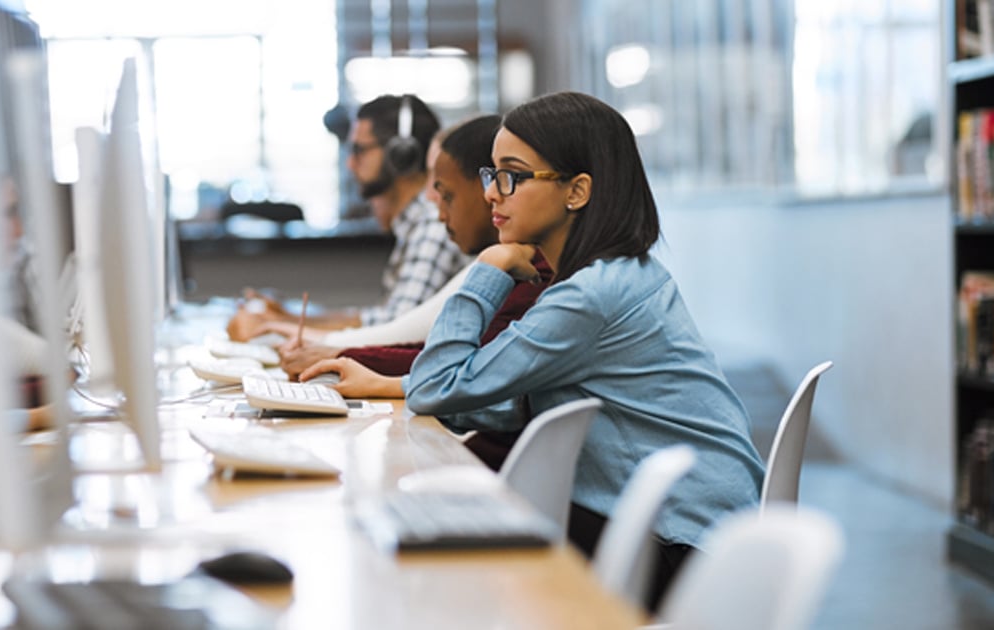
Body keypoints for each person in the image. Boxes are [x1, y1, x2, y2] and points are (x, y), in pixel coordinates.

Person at [321, 92, 764, 613]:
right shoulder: (612, 276)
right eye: (492, 175)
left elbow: (439, 385)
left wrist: (488, 269)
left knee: (444, 554)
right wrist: (402, 386)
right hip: (699, 528)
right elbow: (507, 397)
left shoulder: (588, 297)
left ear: (577, 191)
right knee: (446, 522)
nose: (492, 194)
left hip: (680, 547)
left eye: (511, 175)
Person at [284, 115, 551, 382]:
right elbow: (443, 357)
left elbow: (459, 371)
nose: (491, 193)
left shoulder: (534, 272)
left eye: (444, 192)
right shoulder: (514, 261)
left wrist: (341, 356)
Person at [227, 94, 469, 340]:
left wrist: (279, 325)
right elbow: (380, 319)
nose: (350, 164)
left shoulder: (432, 226)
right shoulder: (415, 225)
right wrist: (287, 318)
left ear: (400, 155)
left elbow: (393, 332)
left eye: (359, 150)